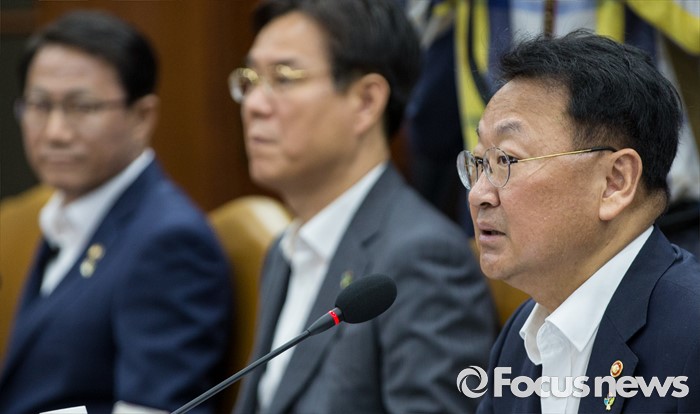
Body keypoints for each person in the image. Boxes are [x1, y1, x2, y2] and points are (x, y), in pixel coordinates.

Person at [230, 0, 497, 413]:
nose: (253, 105)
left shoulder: (422, 259)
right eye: (249, 80)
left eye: (283, 78)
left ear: (366, 101)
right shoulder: (284, 250)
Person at [0, 10, 232, 414]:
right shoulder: (63, 214)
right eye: (39, 105)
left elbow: (156, 409)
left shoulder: (170, 241)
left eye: (82, 107)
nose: (55, 132)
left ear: (142, 117)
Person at [461, 30, 700, 413]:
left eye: (507, 161)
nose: (479, 194)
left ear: (615, 182)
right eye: (479, 163)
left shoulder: (691, 333)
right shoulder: (519, 339)